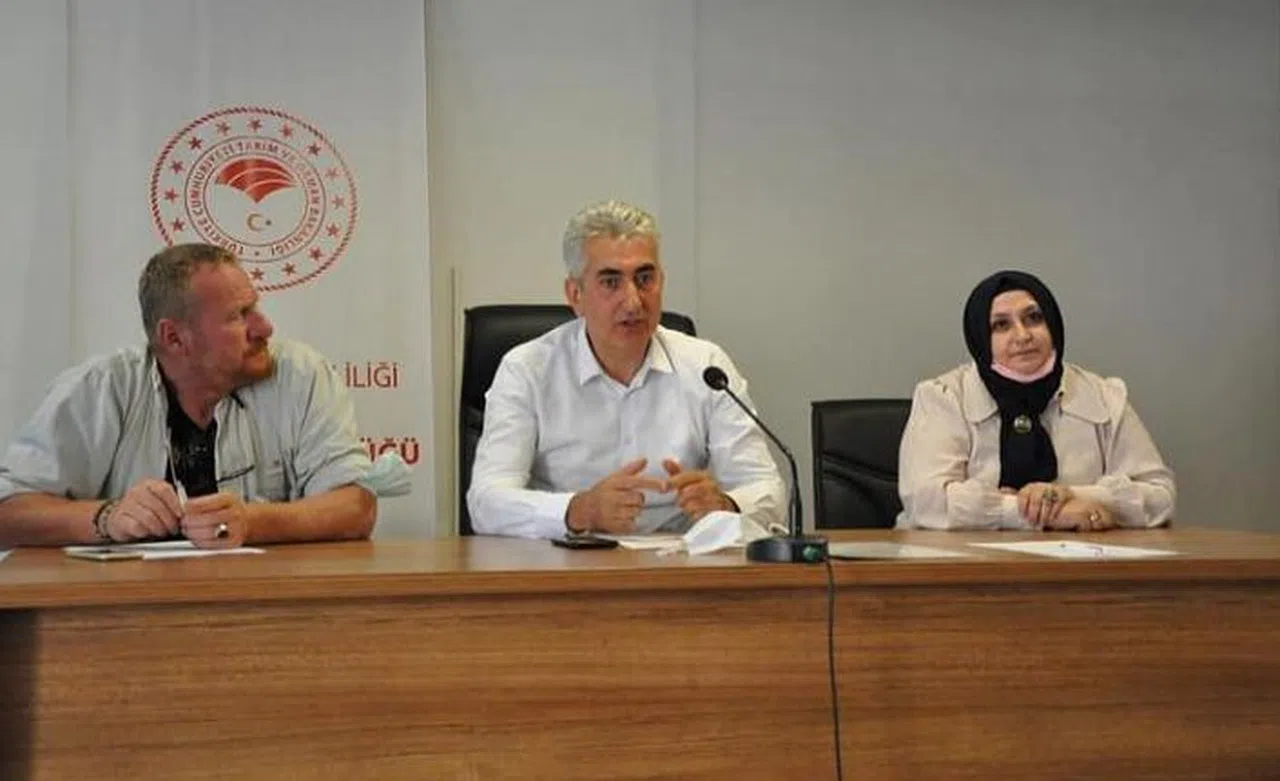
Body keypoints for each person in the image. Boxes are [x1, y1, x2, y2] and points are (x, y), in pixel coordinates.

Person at [0, 243, 377, 548]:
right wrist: (107, 517)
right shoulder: (99, 388)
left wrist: (251, 522)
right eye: (239, 315)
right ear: (174, 338)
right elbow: (9, 514)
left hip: (266, 605)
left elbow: (356, 508)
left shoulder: (301, 375)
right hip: (128, 610)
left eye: (256, 307)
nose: (264, 327)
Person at [467, 200, 785, 538]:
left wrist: (727, 505)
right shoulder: (527, 370)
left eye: (645, 279)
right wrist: (580, 510)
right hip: (568, 558)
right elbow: (486, 502)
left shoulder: (706, 366)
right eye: (610, 282)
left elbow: (766, 487)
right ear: (575, 295)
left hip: (680, 560)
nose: (633, 302)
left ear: (661, 281)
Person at [897, 270, 1175, 531]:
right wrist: (1043, 514)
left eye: (1034, 318)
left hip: (1079, 561)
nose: (1023, 335)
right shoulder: (943, 397)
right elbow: (926, 502)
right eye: (1001, 325)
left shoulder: (1104, 396)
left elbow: (1160, 496)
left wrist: (1070, 495)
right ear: (980, 337)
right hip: (960, 563)